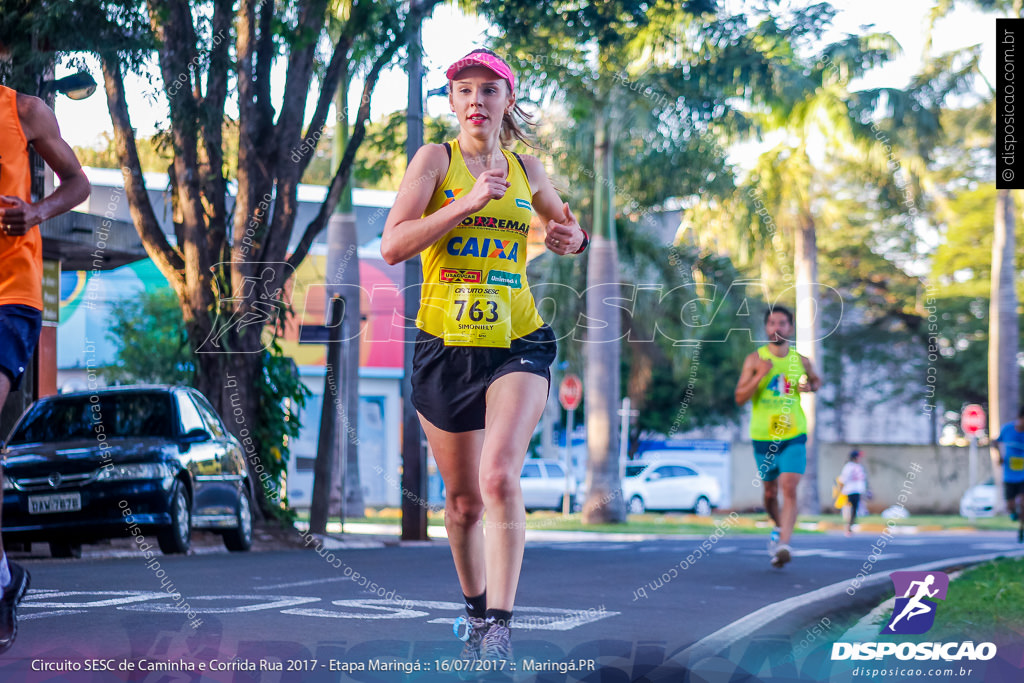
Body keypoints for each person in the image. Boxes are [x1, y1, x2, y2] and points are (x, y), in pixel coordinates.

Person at [380, 48, 587, 663]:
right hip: (445, 346)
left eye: (489, 91)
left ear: (506, 102)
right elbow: (393, 245)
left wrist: (571, 239)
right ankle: (475, 611)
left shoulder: (527, 167)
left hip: (515, 341)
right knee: (464, 502)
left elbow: (565, 229)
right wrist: (466, 202)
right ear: (452, 102)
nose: (477, 101)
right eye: (465, 90)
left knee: (499, 476)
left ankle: (501, 623)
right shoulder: (434, 161)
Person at [0, 81, 91, 653]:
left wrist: (37, 210)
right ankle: (6, 580)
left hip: (10, 295)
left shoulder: (23, 110)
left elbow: (79, 183)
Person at [734, 305, 821, 568]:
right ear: (766, 328)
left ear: (790, 328)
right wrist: (761, 374)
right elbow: (739, 398)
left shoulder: (801, 360)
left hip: (793, 433)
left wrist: (810, 385)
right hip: (763, 436)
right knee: (770, 493)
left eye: (782, 323)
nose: (777, 328)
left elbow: (816, 381)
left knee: (789, 487)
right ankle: (777, 525)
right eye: (772, 323)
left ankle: (784, 543)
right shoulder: (754, 359)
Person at [993, 405, 1024, 529]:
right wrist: (999, 457)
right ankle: (1014, 514)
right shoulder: (1007, 429)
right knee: (1010, 505)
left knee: (1022, 501)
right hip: (1009, 476)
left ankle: (1022, 526)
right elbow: (994, 442)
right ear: (1020, 418)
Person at [838, 450, 868, 536]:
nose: (860, 459)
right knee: (850, 509)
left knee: (855, 509)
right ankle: (848, 527)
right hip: (850, 491)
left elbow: (862, 480)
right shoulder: (848, 467)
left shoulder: (859, 467)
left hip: (857, 491)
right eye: (859, 457)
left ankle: (850, 526)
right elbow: (843, 479)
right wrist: (841, 490)